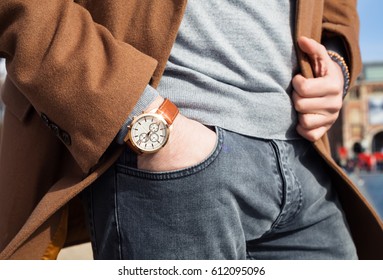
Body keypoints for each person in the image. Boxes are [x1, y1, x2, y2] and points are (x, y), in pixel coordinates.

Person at [0, 0, 382, 260]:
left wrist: (335, 63)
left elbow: (335, 12)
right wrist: (139, 114)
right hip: (176, 165)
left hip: (305, 164)